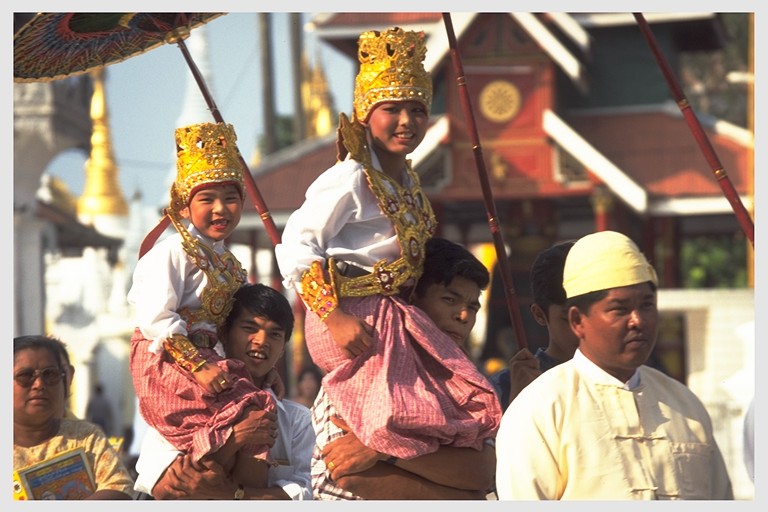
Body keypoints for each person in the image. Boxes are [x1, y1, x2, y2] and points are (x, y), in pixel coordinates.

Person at [274, 26, 501, 473]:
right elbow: (297, 245)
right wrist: (334, 317)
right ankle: (374, 455)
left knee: (467, 396)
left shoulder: (411, 185)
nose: (406, 121)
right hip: (354, 319)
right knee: (408, 416)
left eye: (417, 110)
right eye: (391, 109)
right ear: (364, 112)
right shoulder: (351, 177)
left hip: (395, 317)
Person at [495, 230, 733, 500]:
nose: (638, 321)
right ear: (577, 321)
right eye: (619, 309)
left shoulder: (685, 405)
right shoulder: (540, 409)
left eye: (646, 305)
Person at [127, 122, 275, 492]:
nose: (221, 209)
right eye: (207, 199)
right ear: (185, 203)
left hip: (216, 362)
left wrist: (259, 369)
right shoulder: (172, 252)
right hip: (170, 362)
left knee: (262, 418)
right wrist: (199, 367)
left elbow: (235, 327)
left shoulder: (231, 263)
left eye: (231, 197)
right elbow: (156, 318)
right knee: (229, 429)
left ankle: (242, 491)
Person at [311, 237, 497, 500]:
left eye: (472, 307)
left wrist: (385, 449)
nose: (463, 316)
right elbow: (350, 474)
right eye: (449, 299)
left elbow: (483, 471)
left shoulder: (461, 380)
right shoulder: (364, 370)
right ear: (412, 296)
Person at [133, 283, 314, 500]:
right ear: (224, 333)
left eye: (275, 335)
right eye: (249, 328)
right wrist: (234, 438)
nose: (261, 341)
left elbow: (309, 494)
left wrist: (234, 495)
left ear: (283, 347)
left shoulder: (299, 423)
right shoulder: (180, 405)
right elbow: (167, 488)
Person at [13, 335, 137, 500]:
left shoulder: (86, 437)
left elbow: (120, 488)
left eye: (50, 374)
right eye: (25, 375)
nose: (39, 384)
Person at [489, 240, 578, 409]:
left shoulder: (626, 376)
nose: (582, 328)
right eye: (568, 318)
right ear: (539, 314)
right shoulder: (506, 385)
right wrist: (518, 402)